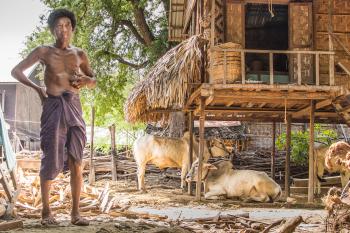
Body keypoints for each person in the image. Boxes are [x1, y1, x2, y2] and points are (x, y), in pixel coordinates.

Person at [11, 9, 96, 226]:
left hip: (75, 108)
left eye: (67, 25)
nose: (63, 29)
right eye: (58, 26)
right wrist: (38, 89)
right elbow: (16, 71)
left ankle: (75, 214)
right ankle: (46, 213)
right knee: (50, 158)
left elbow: (93, 79)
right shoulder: (44, 51)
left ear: (72, 29)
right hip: (53, 106)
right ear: (52, 30)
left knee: (77, 160)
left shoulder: (80, 54)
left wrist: (86, 80)